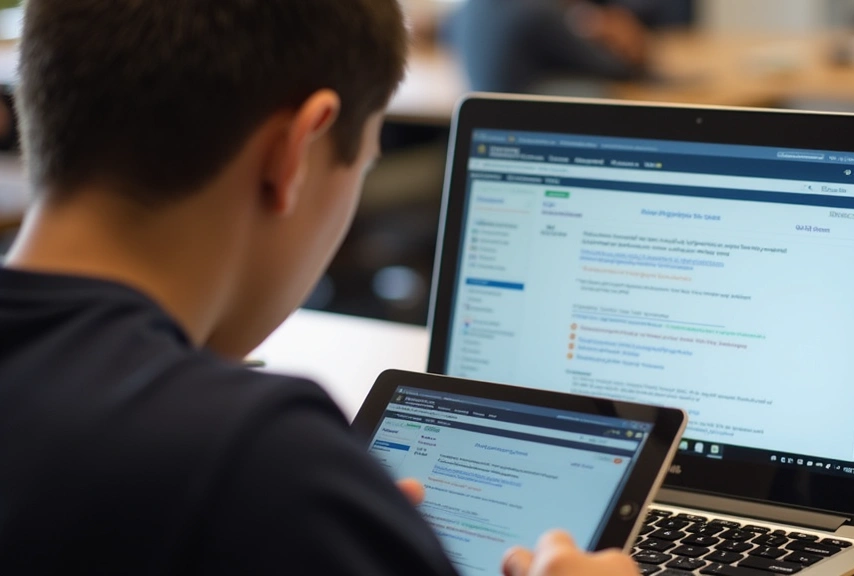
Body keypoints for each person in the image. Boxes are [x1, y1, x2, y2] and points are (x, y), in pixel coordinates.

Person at [0, 1, 639, 575]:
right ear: (295, 153)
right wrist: (319, 505)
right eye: (363, 162)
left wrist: (343, 526)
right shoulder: (255, 461)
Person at [448, 0, 652, 93]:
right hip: (527, 116)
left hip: (488, 109)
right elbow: (613, 69)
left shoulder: (470, 7)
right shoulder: (538, 11)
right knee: (600, 91)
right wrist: (634, 44)